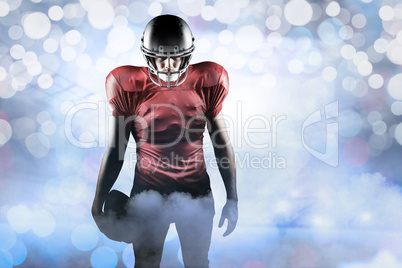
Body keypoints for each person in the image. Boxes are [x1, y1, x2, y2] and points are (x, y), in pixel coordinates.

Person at [92, 14, 237, 268]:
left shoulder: (206, 81)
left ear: (188, 54)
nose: (169, 64)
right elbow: (117, 149)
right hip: (148, 194)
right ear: (147, 55)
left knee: (197, 264)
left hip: (195, 193)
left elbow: (221, 144)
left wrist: (232, 198)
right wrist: (97, 203)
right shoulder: (129, 85)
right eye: (161, 56)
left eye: (176, 56)